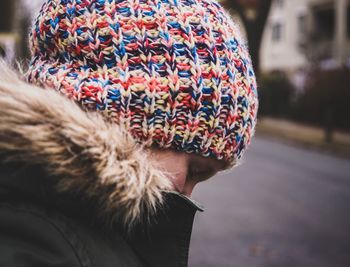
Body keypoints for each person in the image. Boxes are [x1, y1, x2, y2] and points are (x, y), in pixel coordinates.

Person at [0, 0, 258, 266]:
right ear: (132, 119)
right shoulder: (34, 244)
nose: (186, 194)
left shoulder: (73, 227)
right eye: (193, 171)